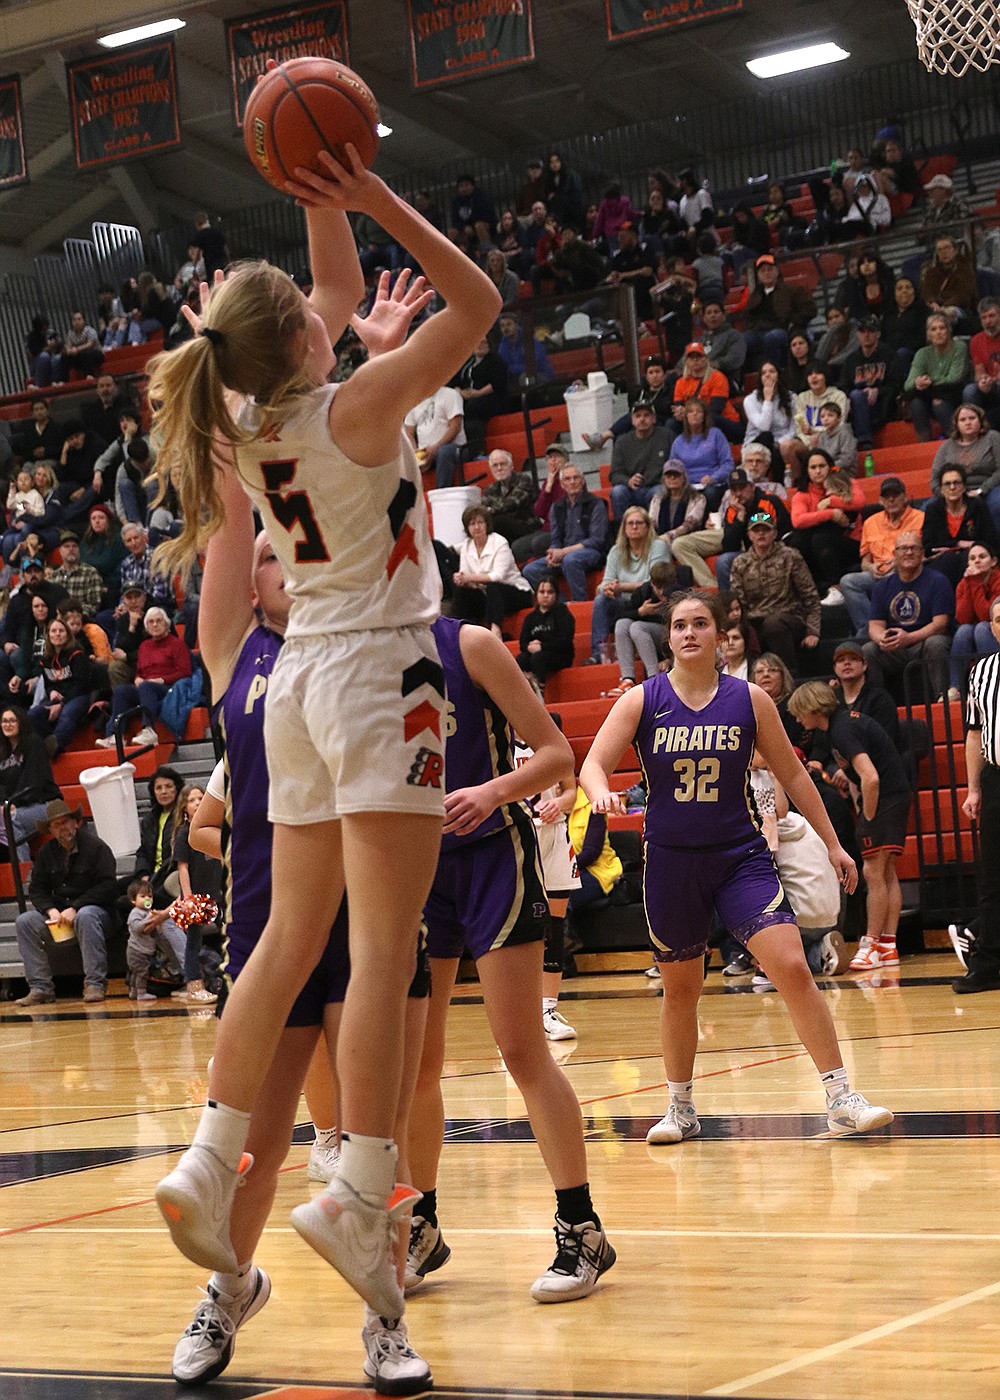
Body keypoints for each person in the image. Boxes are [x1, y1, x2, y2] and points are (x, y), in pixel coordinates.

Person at [153, 138, 501, 1333]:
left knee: (288, 939)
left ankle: (208, 1156)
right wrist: (372, 195)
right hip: (379, 672)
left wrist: (314, 203)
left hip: (295, 684)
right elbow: (480, 302)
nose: (326, 311)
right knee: (388, 949)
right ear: (302, 340)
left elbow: (336, 299)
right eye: (309, 311)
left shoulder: (246, 410)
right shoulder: (363, 399)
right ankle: (356, 1181)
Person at [581, 590, 891, 1141]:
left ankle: (841, 1095)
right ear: (668, 637)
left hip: (740, 857)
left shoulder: (749, 699)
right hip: (672, 863)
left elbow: (794, 777)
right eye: (679, 625)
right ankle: (680, 1107)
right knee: (682, 989)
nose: (689, 632)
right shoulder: (642, 700)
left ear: (722, 636)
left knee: (792, 967)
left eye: (701, 623)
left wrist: (834, 844)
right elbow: (593, 765)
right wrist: (602, 792)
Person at [408, 615, 616, 1302]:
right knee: (416, 1064)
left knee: (522, 1049)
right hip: (413, 870)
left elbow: (558, 755)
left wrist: (493, 791)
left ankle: (580, 1226)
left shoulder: (468, 644)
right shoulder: (354, 655)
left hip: (494, 856)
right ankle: (421, 1225)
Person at [789, 682, 913, 972]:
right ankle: (887, 945)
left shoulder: (842, 729)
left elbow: (870, 778)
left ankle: (869, 945)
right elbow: (862, 775)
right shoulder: (842, 725)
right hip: (895, 795)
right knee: (885, 872)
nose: (797, 719)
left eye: (799, 712)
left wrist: (867, 817)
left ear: (811, 707)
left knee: (872, 871)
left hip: (886, 799)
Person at [13, 799, 117, 1006]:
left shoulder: (96, 847)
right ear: (50, 830)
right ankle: (40, 987)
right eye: (57, 824)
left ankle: (95, 984)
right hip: (59, 918)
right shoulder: (45, 853)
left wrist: (76, 907)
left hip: (99, 915)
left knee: (86, 915)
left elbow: (108, 886)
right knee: (24, 921)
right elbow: (36, 889)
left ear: (76, 822)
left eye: (66, 821)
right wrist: (50, 910)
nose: (63, 828)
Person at [955, 596, 1000, 992]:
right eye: (999, 620)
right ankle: (987, 964)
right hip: (996, 778)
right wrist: (973, 787)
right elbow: (974, 733)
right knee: (992, 877)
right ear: (992, 627)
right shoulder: (981, 672)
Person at [862, 531, 954, 702]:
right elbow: (875, 625)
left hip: (924, 643)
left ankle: (943, 698)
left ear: (922, 553)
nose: (909, 552)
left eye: (914, 548)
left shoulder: (938, 581)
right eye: (903, 548)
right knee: (869, 650)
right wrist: (882, 638)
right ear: (894, 554)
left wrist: (909, 637)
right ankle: (877, 703)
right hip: (896, 648)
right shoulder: (882, 587)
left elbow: (941, 624)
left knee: (937, 643)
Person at [730, 512, 821, 674]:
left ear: (775, 533)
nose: (761, 534)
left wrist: (812, 631)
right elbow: (738, 602)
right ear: (749, 535)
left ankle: (788, 675)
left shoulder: (790, 556)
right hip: (754, 620)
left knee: (773, 624)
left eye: (765, 530)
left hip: (788, 618)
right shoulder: (740, 563)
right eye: (756, 530)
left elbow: (810, 596)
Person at [838, 478, 926, 637]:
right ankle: (868, 630)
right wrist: (871, 568)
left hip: (906, 573)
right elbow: (865, 561)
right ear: (880, 501)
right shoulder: (870, 522)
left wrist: (900, 564)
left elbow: (924, 554)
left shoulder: (921, 518)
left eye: (896, 495)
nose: (891, 499)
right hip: (878, 575)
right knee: (848, 581)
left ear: (905, 497)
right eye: (886, 496)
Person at [101, 606, 191, 749]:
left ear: (167, 624)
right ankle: (116, 735)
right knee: (122, 690)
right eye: (151, 622)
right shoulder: (144, 646)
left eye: (158, 621)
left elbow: (185, 672)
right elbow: (141, 671)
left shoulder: (177, 644)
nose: (155, 625)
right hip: (147, 687)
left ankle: (149, 730)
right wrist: (137, 677)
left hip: (168, 687)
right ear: (146, 627)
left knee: (146, 686)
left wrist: (161, 680)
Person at [589, 507, 668, 663]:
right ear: (624, 528)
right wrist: (607, 588)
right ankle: (599, 654)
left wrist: (621, 587)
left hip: (651, 600)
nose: (634, 527)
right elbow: (604, 583)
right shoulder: (616, 551)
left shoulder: (658, 546)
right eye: (630, 523)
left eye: (639, 523)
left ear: (647, 526)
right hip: (624, 603)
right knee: (601, 600)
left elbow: (654, 581)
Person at [521, 463, 608, 600]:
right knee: (530, 570)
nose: (572, 482)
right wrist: (554, 553)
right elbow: (556, 540)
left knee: (570, 560)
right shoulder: (557, 507)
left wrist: (563, 552)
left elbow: (596, 540)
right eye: (568, 479)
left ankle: (580, 603)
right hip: (565, 553)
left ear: (582, 480)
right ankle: (561, 604)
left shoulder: (596, 503)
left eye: (576, 478)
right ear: (562, 484)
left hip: (591, 552)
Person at [170, 784, 221, 1005]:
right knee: (193, 941)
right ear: (184, 807)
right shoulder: (184, 833)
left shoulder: (216, 828)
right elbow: (182, 867)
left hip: (218, 892)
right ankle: (194, 985)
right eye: (192, 800)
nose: (198, 802)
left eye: (201, 798)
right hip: (196, 896)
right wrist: (188, 896)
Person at [789, 449, 863, 602]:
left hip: (851, 542)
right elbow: (798, 520)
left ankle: (837, 587)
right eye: (813, 467)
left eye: (821, 466)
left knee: (820, 539)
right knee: (796, 540)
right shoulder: (802, 495)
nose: (818, 471)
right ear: (807, 471)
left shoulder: (847, 482)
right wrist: (831, 514)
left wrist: (831, 502)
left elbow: (860, 502)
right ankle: (808, 589)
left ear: (830, 467)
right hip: (819, 548)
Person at [452, 505, 532, 635]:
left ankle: (496, 631)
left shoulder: (499, 542)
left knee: (493, 587)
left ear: (486, 524)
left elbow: (498, 576)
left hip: (515, 592)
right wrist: (461, 579)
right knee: (462, 592)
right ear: (467, 528)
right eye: (472, 524)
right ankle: (459, 633)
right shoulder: (466, 546)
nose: (476, 527)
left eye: (480, 522)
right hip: (488, 595)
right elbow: (465, 574)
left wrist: (469, 578)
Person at [609, 559, 686, 695]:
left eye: (665, 587)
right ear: (652, 583)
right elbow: (615, 619)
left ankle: (654, 678)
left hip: (672, 637)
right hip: (649, 640)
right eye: (658, 587)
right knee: (622, 624)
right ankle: (628, 679)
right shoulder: (644, 591)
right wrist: (640, 612)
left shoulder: (680, 592)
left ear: (673, 582)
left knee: (637, 627)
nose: (662, 592)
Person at [923, 464, 998, 589]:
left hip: (971, 561)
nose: (952, 487)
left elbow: (992, 541)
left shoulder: (977, 506)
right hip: (942, 563)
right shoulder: (933, 510)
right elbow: (928, 547)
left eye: (956, 483)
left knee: (966, 557)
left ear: (963, 487)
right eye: (947, 484)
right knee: (949, 559)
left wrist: (953, 546)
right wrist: (959, 543)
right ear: (941, 489)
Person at [0, 704, 60, 860]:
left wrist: (13, 803)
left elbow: (34, 780)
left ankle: (24, 871)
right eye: (4, 721)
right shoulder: (2, 751)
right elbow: (1, 785)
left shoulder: (33, 742)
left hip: (46, 804)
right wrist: (4, 803)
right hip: (17, 807)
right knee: (7, 817)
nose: (8, 724)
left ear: (21, 722)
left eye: (12, 720)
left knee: (10, 819)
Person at [27, 615, 90, 755]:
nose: (57, 634)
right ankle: (41, 745)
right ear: (48, 635)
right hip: (57, 698)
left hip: (78, 696)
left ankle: (56, 745)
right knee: (33, 714)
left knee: (67, 714)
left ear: (67, 634)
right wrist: (51, 692)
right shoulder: (45, 660)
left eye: (61, 631)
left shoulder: (78, 655)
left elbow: (82, 685)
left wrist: (61, 704)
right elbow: (49, 684)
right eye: (53, 631)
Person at [905, 313, 972, 442]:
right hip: (931, 395)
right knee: (916, 402)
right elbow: (908, 385)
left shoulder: (959, 347)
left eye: (942, 328)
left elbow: (955, 378)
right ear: (928, 334)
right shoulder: (922, 353)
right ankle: (924, 444)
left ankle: (957, 438)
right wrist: (918, 382)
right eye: (933, 329)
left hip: (955, 394)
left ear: (949, 330)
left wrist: (930, 381)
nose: (938, 332)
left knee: (938, 402)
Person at [744, 254, 817, 368]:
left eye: (769, 270)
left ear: (776, 271)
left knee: (772, 337)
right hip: (759, 331)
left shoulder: (792, 290)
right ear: (758, 275)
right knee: (742, 340)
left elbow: (810, 309)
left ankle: (774, 372)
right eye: (763, 271)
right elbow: (749, 316)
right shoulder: (756, 295)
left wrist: (793, 323)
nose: (767, 273)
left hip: (782, 329)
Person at [841, 316, 903, 449]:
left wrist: (877, 391)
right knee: (857, 395)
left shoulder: (890, 355)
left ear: (878, 334)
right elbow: (844, 386)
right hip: (857, 406)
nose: (866, 335)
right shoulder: (851, 360)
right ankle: (864, 441)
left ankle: (864, 441)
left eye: (870, 331)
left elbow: (897, 384)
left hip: (883, 404)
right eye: (863, 331)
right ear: (858, 334)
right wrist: (854, 397)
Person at [948, 543, 1000, 698]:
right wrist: (972, 583)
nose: (977, 561)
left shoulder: (998, 580)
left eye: (982, 557)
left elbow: (988, 615)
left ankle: (994, 680)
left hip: (993, 633)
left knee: (982, 628)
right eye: (972, 558)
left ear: (993, 561)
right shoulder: (964, 583)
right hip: (973, 638)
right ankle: (954, 688)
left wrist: (975, 583)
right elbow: (962, 618)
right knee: (964, 630)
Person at [608, 400, 674, 519]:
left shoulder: (667, 436)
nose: (642, 419)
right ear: (632, 421)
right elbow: (614, 474)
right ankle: (623, 533)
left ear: (654, 418)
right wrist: (628, 480)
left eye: (646, 415)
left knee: (659, 493)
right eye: (638, 416)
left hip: (657, 486)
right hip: (631, 489)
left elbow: (675, 464)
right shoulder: (622, 441)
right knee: (617, 492)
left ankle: (655, 533)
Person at [125, 876, 186, 1002]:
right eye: (143, 896)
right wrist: (150, 920)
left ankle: (133, 991)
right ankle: (141, 992)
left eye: (150, 896)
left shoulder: (147, 913)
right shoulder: (135, 914)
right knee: (142, 972)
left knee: (136, 972)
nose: (147, 899)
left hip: (144, 950)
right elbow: (137, 928)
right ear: (133, 900)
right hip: (136, 950)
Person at [404, 383, 467, 489]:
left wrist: (434, 449)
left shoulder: (450, 394)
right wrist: (415, 452)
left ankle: (442, 493)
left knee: (444, 452)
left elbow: (455, 428)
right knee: (402, 460)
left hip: (454, 448)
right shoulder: (413, 401)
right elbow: (409, 432)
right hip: (425, 452)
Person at [517, 576, 575, 690]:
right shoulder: (530, 617)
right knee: (521, 659)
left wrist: (542, 647)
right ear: (536, 594)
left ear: (556, 595)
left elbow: (565, 641)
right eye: (542, 592)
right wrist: (529, 647)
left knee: (538, 658)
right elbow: (522, 642)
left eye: (550, 592)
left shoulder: (563, 613)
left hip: (559, 655)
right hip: (536, 653)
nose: (545, 595)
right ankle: (523, 690)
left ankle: (540, 690)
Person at [480, 449, 536, 546]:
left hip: (526, 525)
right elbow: (484, 510)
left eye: (503, 464)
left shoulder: (523, 479)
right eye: (495, 465)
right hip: (503, 529)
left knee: (497, 520)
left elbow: (512, 503)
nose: (499, 468)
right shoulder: (490, 489)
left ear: (511, 466)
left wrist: (492, 510)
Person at [963, 296, 1000, 429]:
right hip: (990, 386)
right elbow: (979, 371)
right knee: (969, 391)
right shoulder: (976, 341)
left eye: (992, 316)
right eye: (984, 318)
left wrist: (994, 379)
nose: (988, 321)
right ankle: (974, 433)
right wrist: (982, 380)